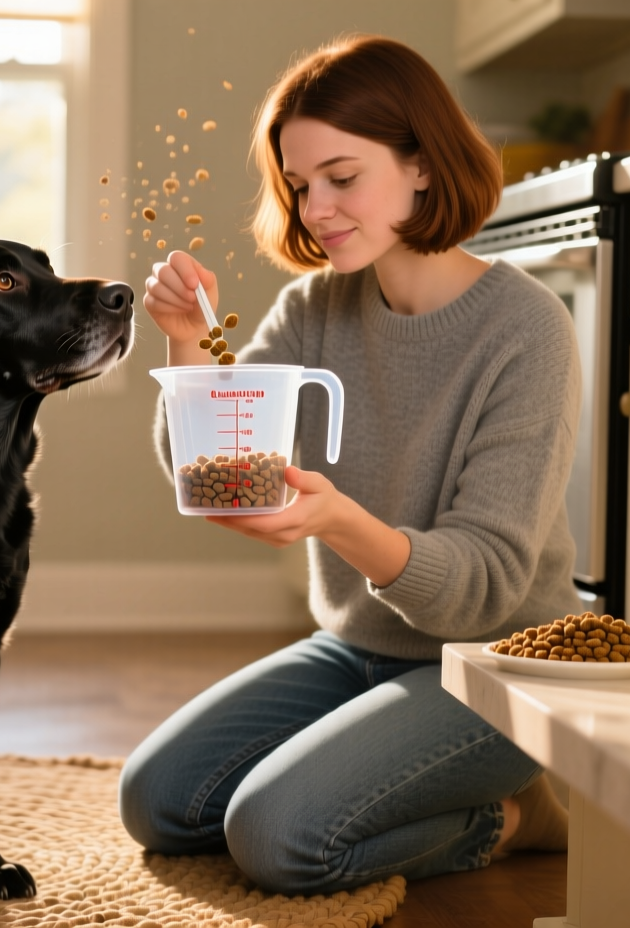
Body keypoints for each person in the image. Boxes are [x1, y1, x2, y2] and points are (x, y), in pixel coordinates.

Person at [118, 34, 579, 896]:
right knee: (159, 802)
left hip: (497, 664)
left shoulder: (527, 331)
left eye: (341, 176)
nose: (315, 207)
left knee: (277, 836)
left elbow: (483, 586)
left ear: (422, 166)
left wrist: (339, 522)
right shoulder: (317, 305)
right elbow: (214, 456)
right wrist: (185, 342)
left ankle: (518, 817)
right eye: (298, 185)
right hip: (357, 649)